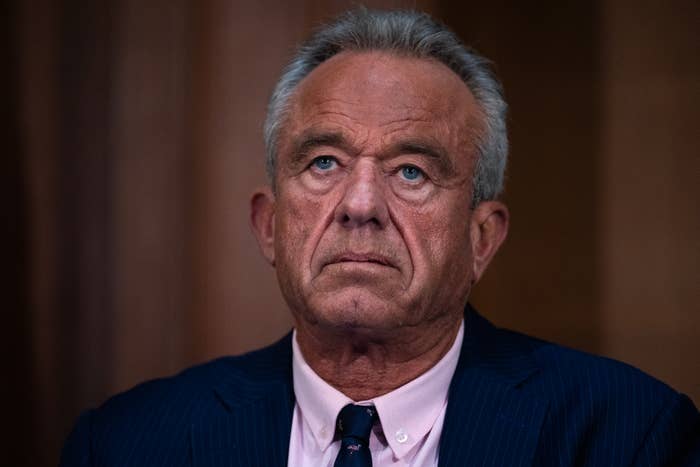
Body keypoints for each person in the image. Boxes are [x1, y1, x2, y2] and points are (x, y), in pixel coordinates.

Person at [60, 8, 699, 467]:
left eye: (411, 171)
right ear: (270, 226)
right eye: (324, 163)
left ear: (482, 238)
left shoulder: (629, 436)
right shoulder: (126, 444)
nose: (360, 205)